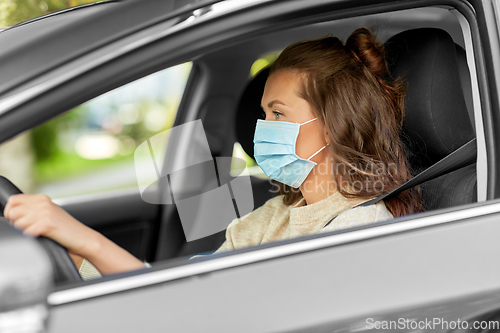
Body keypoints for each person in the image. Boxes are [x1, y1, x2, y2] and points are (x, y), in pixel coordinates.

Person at [3, 28, 422, 279]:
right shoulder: (272, 216)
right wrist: (76, 247)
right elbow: (181, 296)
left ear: (332, 125)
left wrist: (87, 241)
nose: (262, 128)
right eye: (263, 113)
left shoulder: (360, 231)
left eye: (278, 113)